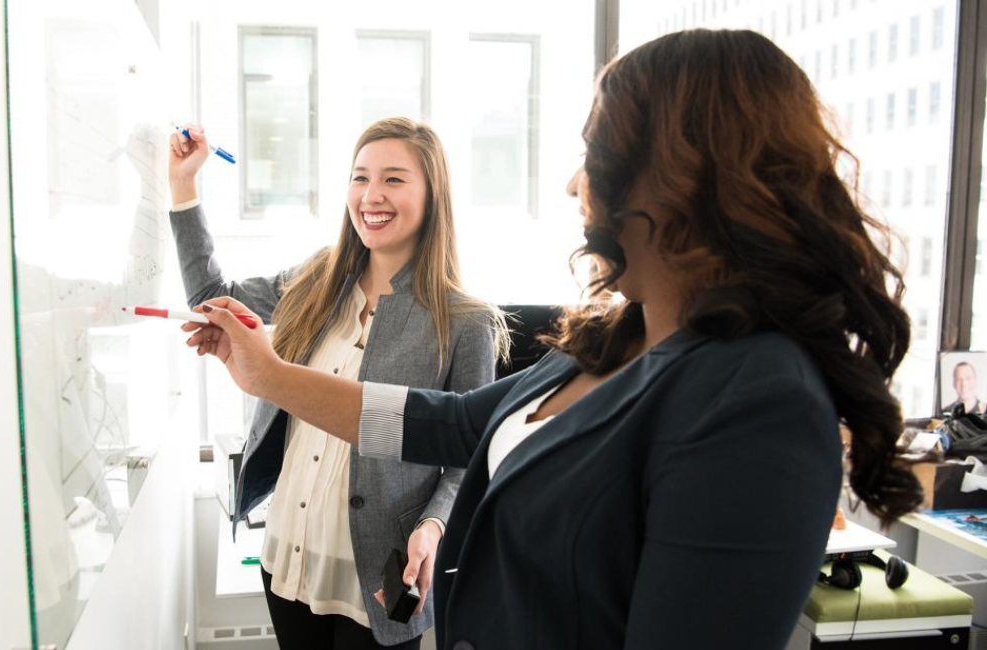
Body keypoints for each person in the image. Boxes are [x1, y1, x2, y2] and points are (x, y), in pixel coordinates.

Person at [181, 29, 924, 650]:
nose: (574, 184)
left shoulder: (757, 400)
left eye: (594, 151)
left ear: (680, 175)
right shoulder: (609, 341)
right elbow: (455, 423)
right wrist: (268, 375)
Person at [167, 117, 507, 650]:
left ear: (432, 193)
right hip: (288, 552)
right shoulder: (318, 279)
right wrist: (184, 185)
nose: (372, 195)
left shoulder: (465, 321)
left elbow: (471, 454)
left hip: (379, 571)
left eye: (394, 179)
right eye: (360, 177)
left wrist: (435, 525)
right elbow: (212, 294)